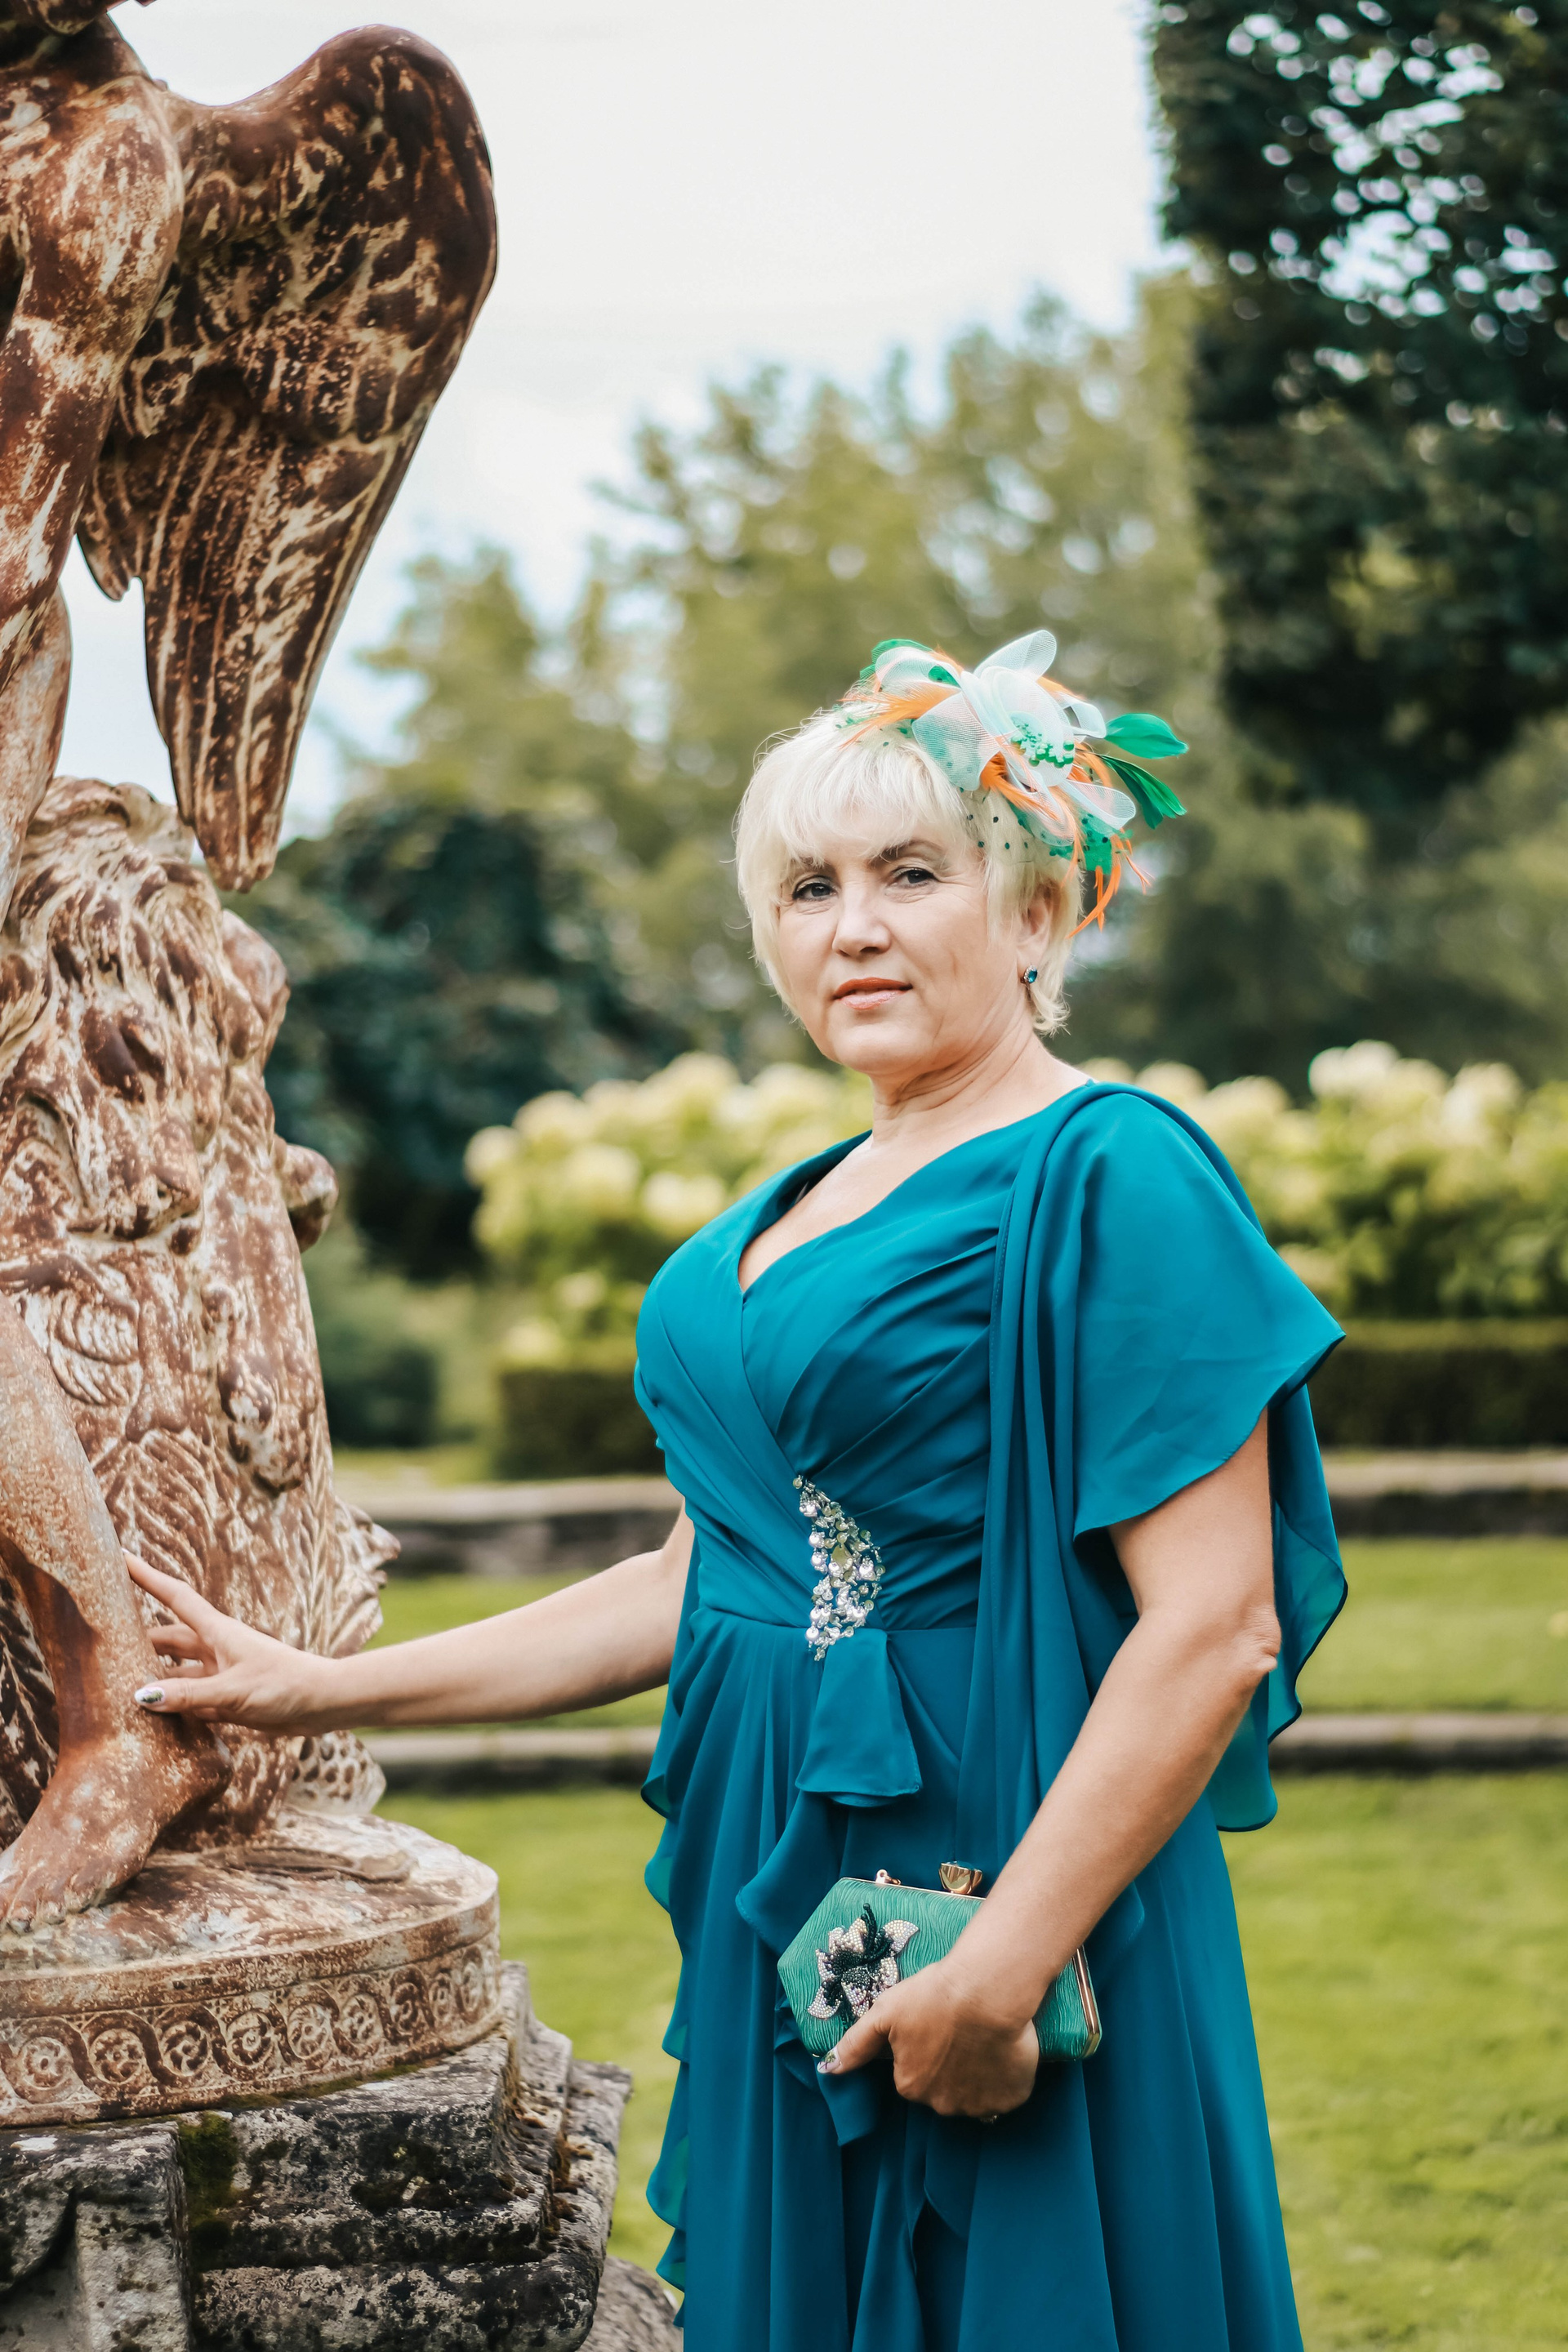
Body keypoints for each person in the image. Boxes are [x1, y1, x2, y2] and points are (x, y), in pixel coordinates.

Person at [131, 631, 1347, 2352]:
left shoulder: (1111, 1172)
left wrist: (1004, 1966)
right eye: (806, 888)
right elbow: (707, 1574)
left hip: (1006, 1866)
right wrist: (313, 1684)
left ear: (1037, 910)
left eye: (911, 874)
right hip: (790, 1873)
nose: (853, 927)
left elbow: (1216, 1627)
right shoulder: (796, 1202)